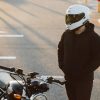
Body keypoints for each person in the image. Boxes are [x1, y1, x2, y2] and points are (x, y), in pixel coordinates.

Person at [58, 4, 100, 100]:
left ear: (83, 17)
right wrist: (62, 65)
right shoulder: (66, 34)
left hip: (84, 80)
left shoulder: (94, 38)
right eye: (69, 17)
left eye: (73, 17)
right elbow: (60, 50)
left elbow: (97, 59)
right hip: (68, 77)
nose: (70, 20)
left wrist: (83, 72)